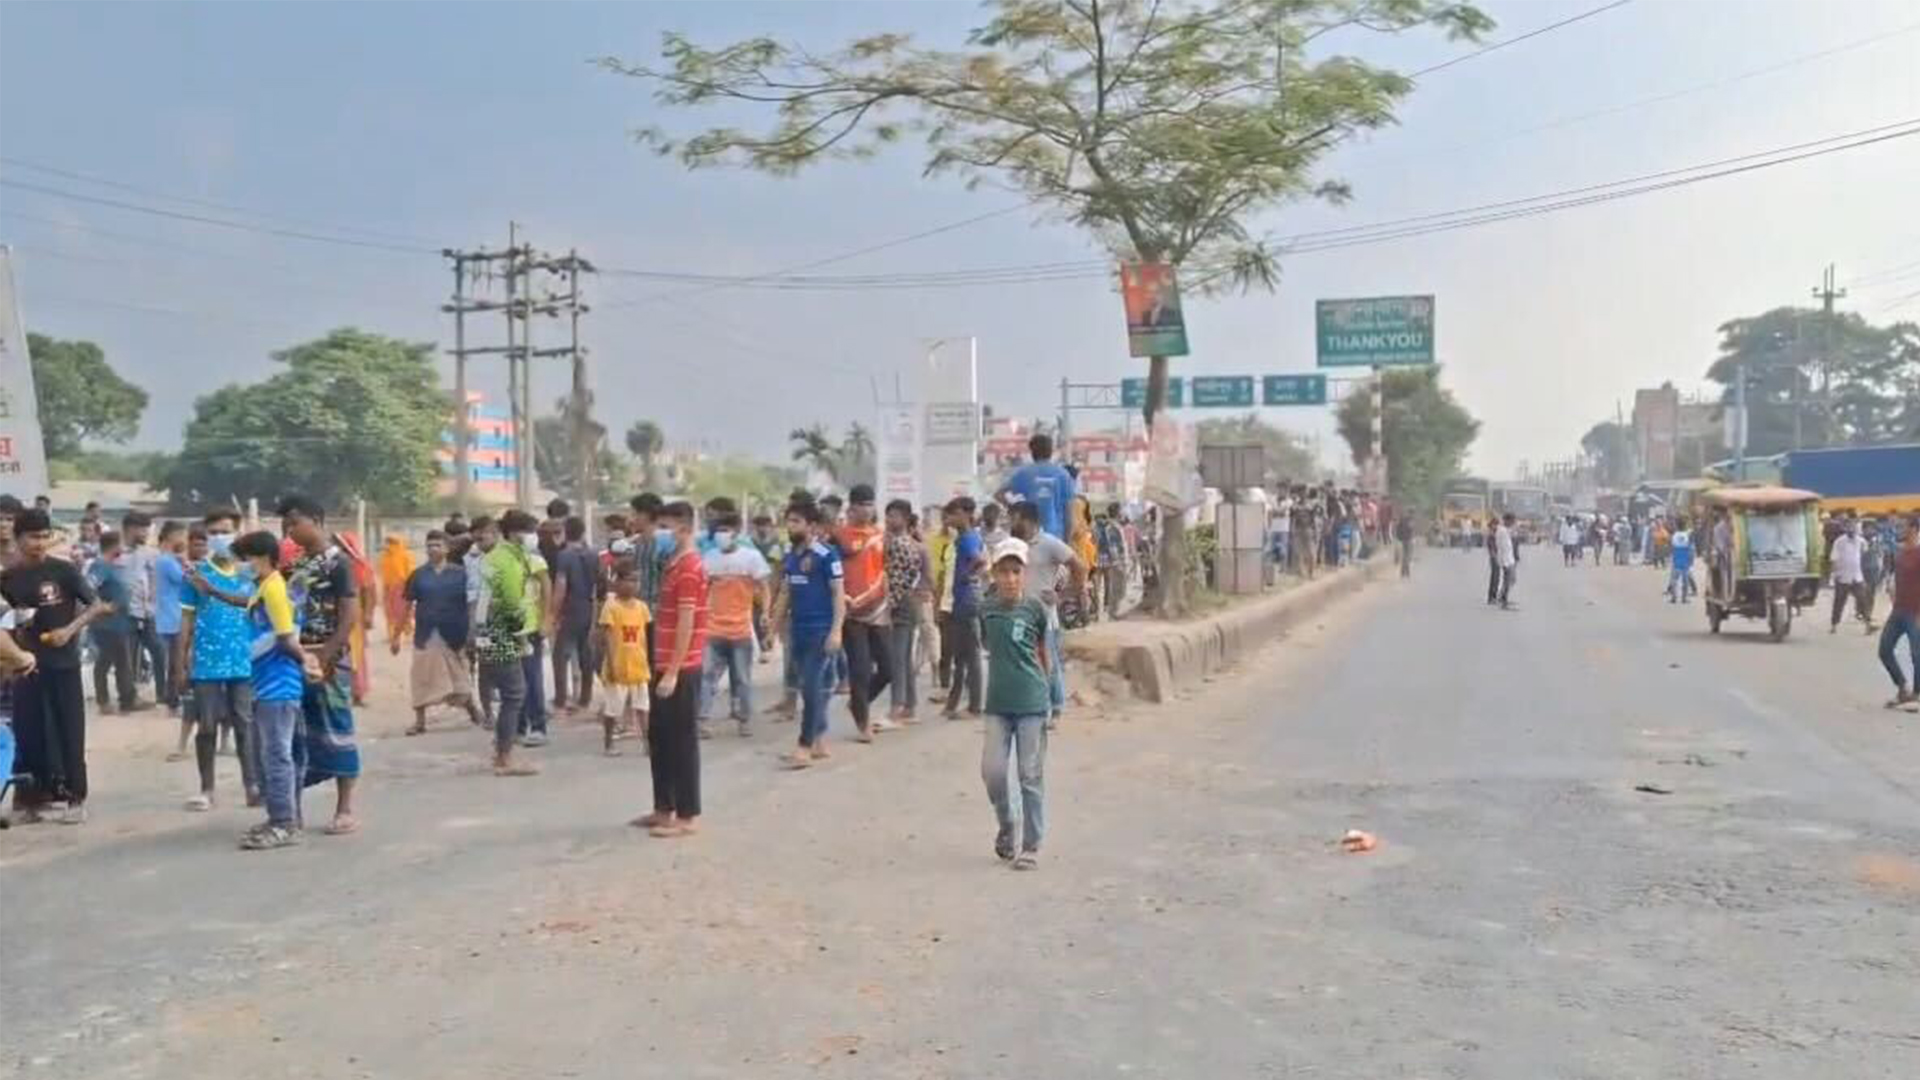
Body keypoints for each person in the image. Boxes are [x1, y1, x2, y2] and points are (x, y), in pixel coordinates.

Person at [3, 509, 109, 823]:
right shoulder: (7, 577)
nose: (39, 542)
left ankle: (76, 798)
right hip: (25, 666)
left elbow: (96, 605)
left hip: (64, 663)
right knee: (30, 732)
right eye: (32, 537)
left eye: (44, 536)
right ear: (19, 539)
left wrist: (70, 630)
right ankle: (33, 799)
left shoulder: (64, 570)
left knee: (69, 730)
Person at [279, 495, 363, 833]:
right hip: (296, 654)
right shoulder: (297, 564)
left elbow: (350, 612)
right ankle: (292, 809)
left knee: (337, 728)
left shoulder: (338, 562)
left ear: (315, 519)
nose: (290, 530)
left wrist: (328, 654)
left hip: (328, 656)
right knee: (296, 733)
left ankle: (345, 809)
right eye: (286, 525)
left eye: (295, 522)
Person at [230, 530, 314, 850]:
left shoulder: (275, 588)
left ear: (262, 557)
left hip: (278, 684)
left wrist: (306, 661)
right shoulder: (263, 588)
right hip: (266, 683)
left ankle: (283, 823)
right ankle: (286, 816)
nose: (243, 565)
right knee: (281, 754)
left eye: (247, 558)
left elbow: (285, 636)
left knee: (276, 755)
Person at [175, 515, 260, 811]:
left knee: (244, 723)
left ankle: (252, 785)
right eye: (214, 532)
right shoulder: (196, 574)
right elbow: (186, 620)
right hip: (207, 661)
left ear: (237, 533)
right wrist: (180, 663)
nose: (220, 537)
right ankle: (207, 789)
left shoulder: (250, 574)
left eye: (225, 531)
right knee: (207, 726)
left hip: (243, 658)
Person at [978, 537, 1051, 870]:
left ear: (1025, 573)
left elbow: (1045, 654)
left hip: (1032, 703)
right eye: (1003, 571)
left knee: (1029, 774)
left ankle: (1031, 845)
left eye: (1015, 571)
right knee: (992, 772)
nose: (1009, 578)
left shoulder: (1036, 609)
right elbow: (986, 643)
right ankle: (1007, 823)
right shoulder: (986, 609)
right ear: (994, 573)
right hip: (997, 704)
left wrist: (1052, 698)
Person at [635, 501, 705, 838]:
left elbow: (687, 622)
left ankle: (688, 815)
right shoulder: (672, 563)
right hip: (661, 660)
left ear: (683, 526)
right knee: (660, 738)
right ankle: (664, 807)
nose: (661, 532)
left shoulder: (690, 566)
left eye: (666, 526)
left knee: (682, 740)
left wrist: (674, 670)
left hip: (681, 665)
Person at [773, 500, 845, 769]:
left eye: (796, 522)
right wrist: (773, 627)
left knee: (811, 687)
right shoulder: (792, 557)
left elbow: (838, 594)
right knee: (816, 686)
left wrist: (836, 630)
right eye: (789, 521)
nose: (790, 526)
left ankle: (804, 745)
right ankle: (819, 741)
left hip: (820, 632)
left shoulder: (827, 555)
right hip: (798, 632)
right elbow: (786, 594)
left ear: (812, 526)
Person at [397, 530, 484, 735]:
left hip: (456, 632)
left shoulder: (461, 574)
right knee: (421, 677)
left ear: (447, 548)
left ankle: (473, 709)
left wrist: (474, 628)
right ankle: (419, 722)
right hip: (427, 633)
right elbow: (407, 605)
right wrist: (396, 635)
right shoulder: (418, 575)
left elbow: (472, 602)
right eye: (429, 545)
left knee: (459, 676)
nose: (433, 549)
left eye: (437, 545)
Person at [1007, 501, 1085, 728]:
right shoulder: (1014, 545)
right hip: (1017, 613)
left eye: (1014, 518)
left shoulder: (1049, 543)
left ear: (1028, 520)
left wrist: (1065, 594)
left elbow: (1078, 566)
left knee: (1047, 662)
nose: (1011, 523)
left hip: (1043, 615)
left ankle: (1057, 708)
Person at [475, 508, 539, 777]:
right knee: (514, 694)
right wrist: (522, 637)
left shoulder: (494, 557)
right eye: (529, 532)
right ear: (515, 533)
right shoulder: (508, 562)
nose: (533, 537)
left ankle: (501, 751)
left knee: (507, 692)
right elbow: (513, 604)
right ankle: (505, 757)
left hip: (486, 631)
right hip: (502, 632)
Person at [700, 508, 768, 738]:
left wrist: (765, 613)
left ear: (737, 531)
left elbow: (764, 588)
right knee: (707, 676)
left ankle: (744, 719)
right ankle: (703, 720)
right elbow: (703, 590)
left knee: (742, 679)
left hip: (740, 629)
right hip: (713, 628)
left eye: (725, 530)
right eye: (717, 530)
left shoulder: (751, 558)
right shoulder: (709, 558)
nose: (721, 535)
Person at [835, 484, 893, 742]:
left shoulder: (881, 535)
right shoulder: (839, 537)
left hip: (878, 610)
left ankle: (859, 703)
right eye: (863, 504)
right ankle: (863, 721)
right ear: (853, 507)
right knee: (859, 669)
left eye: (871, 504)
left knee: (889, 668)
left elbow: (884, 570)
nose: (868, 509)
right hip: (851, 612)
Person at [595, 561, 651, 756]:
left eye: (637, 581)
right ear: (617, 582)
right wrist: (611, 665)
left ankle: (647, 743)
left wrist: (650, 661)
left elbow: (646, 637)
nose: (634, 585)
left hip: (639, 666)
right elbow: (607, 638)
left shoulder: (642, 608)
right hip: (618, 666)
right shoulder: (611, 607)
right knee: (613, 708)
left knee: (643, 707)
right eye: (630, 580)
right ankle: (608, 742)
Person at [549, 516, 601, 716]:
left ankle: (561, 700)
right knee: (585, 653)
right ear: (583, 532)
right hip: (589, 606)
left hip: (571, 609)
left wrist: (553, 613)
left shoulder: (564, 556)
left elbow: (561, 586)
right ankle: (585, 699)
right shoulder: (593, 554)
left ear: (565, 532)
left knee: (560, 655)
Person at [881, 499, 925, 722]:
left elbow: (897, 580)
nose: (889, 520)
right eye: (888, 515)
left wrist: (889, 607)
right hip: (910, 601)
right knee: (905, 657)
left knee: (897, 658)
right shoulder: (910, 542)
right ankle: (910, 704)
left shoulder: (899, 544)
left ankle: (897, 706)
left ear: (906, 519)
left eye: (894, 516)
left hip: (901, 602)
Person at [118, 511, 168, 708]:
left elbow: (154, 579)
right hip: (123, 612)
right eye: (142, 529)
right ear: (130, 529)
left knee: (158, 649)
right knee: (127, 655)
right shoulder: (115, 552)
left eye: (147, 529)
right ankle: (128, 697)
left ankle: (162, 694)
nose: (146, 533)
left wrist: (152, 604)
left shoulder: (150, 553)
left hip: (146, 612)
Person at [942, 497, 985, 718]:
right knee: (961, 655)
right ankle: (954, 702)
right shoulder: (968, 537)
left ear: (967, 514)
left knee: (970, 655)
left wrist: (967, 576)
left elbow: (980, 561)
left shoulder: (967, 539)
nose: (951, 518)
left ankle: (975, 706)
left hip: (966, 600)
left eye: (955, 513)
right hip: (963, 600)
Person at [86, 531, 137, 714]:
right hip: (107, 624)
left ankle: (124, 698)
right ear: (114, 545)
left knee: (116, 661)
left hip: (118, 622)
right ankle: (115, 700)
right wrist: (102, 607)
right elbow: (88, 588)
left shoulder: (111, 566)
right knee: (110, 662)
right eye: (121, 544)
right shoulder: (100, 566)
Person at [516, 517, 555, 746]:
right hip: (511, 627)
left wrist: (546, 620)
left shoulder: (535, 559)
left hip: (531, 627)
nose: (529, 535)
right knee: (513, 680)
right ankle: (518, 728)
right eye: (524, 530)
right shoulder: (503, 560)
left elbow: (547, 590)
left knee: (532, 677)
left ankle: (538, 726)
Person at [997, 433, 1077, 540]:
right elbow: (1069, 515)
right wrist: (1067, 542)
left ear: (1032, 452)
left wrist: (1014, 507)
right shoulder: (1063, 475)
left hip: (1029, 535)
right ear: (1051, 451)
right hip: (1056, 536)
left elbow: (999, 494)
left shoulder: (1023, 473)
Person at [1878, 516, 1920, 708]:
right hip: (1899, 610)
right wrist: (1891, 590)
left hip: (1916, 612)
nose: (1898, 530)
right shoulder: (1900, 552)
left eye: (1902, 526)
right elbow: (1895, 576)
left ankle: (1917, 695)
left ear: (1914, 529)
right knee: (1885, 650)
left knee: (1916, 654)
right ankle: (1902, 687)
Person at [152, 520, 188, 714]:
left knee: (173, 662)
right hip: (172, 616)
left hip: (169, 615)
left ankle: (171, 699)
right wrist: (185, 563)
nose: (183, 539)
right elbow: (185, 580)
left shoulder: (166, 559)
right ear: (171, 537)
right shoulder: (167, 561)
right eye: (181, 535)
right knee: (175, 663)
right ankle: (173, 701)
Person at [1829, 519, 1873, 634]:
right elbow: (1834, 558)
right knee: (1839, 602)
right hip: (1842, 576)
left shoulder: (1860, 541)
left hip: (1857, 576)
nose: (1851, 529)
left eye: (1853, 527)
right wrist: (1834, 575)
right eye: (1849, 527)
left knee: (1863, 600)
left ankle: (1868, 624)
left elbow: (1865, 553)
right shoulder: (1839, 542)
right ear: (1845, 528)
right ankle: (1834, 625)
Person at [378, 534, 416, 655]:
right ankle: (392, 634)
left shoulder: (405, 555)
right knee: (390, 611)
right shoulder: (385, 557)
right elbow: (383, 573)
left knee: (403, 611)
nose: (388, 545)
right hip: (389, 588)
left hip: (402, 587)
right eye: (388, 542)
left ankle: (407, 632)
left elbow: (410, 573)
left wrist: (408, 587)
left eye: (391, 542)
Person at [1667, 518, 1696, 604]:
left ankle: (1674, 597)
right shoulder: (1688, 535)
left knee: (1674, 579)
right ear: (1685, 525)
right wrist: (1691, 560)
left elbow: (1671, 547)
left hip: (1677, 558)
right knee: (1685, 580)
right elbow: (1691, 549)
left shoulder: (1674, 535)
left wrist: (1671, 557)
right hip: (1685, 558)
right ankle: (1684, 598)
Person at [1494, 513, 1518, 610]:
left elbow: (1512, 533)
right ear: (1507, 521)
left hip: (1509, 559)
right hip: (1506, 560)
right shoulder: (1502, 531)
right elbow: (1502, 548)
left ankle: (1501, 597)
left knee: (1511, 580)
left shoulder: (1504, 530)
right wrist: (1505, 563)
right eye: (1512, 521)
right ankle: (1503, 600)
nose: (1513, 523)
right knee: (1508, 580)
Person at [1394, 513, 1415, 579]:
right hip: (1407, 540)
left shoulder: (1399, 524)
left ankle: (1403, 572)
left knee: (1404, 556)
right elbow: (1411, 530)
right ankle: (1406, 572)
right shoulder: (1409, 522)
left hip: (1402, 540)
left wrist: (1398, 539)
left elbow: (1397, 533)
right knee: (1407, 556)